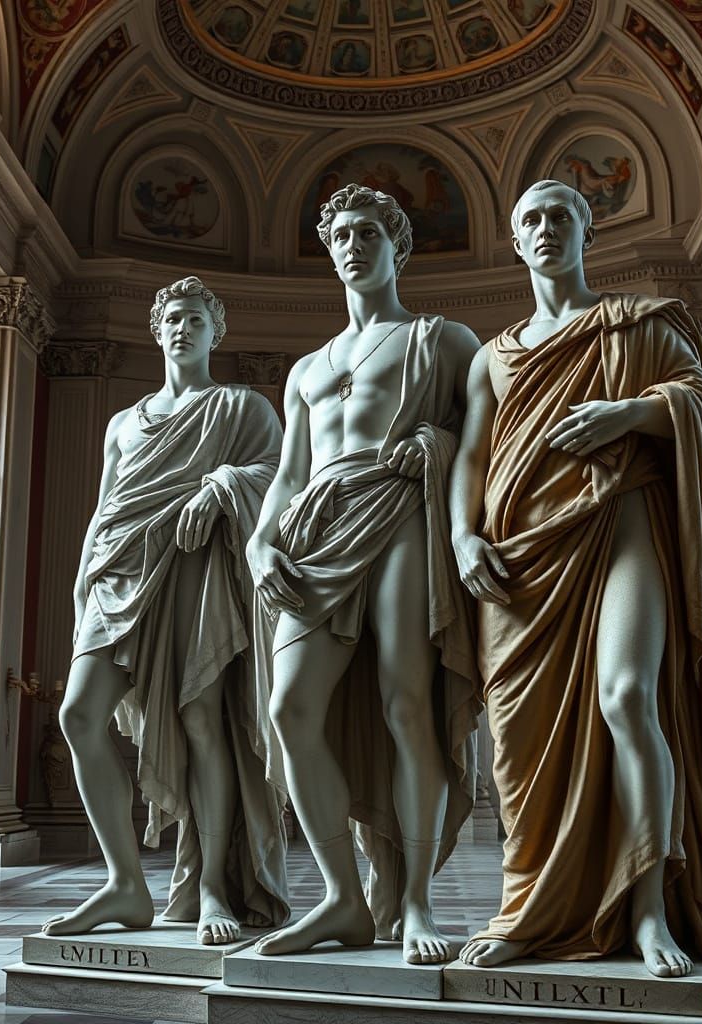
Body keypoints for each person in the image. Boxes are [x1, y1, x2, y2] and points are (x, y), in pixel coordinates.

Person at [450, 180, 702, 979]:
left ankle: (647, 907)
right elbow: (470, 459)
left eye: (561, 216)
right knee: (519, 742)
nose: (547, 229)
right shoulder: (493, 354)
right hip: (518, 554)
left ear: (588, 231)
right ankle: (528, 908)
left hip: (622, 526)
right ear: (515, 242)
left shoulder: (639, 324)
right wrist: (460, 535)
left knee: (626, 697)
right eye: (532, 220)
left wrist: (633, 414)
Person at [246, 184, 481, 965]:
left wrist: (436, 448)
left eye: (368, 232)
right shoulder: (308, 366)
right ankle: (343, 900)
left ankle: (414, 902)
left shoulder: (442, 340)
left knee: (407, 702)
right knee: (288, 709)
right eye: (341, 234)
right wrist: (258, 543)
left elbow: (483, 447)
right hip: (314, 526)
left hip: (400, 510)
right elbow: (287, 472)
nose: (353, 244)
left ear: (397, 246)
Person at [43, 276, 290, 945]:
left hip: (198, 565)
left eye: (195, 319)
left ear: (217, 332)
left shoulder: (242, 407)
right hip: (119, 573)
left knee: (200, 717)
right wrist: (80, 587)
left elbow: (281, 479)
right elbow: (104, 509)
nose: (182, 327)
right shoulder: (124, 421)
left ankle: (211, 884)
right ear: (156, 331)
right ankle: (124, 884)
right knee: (79, 714)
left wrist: (221, 483)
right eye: (172, 318)